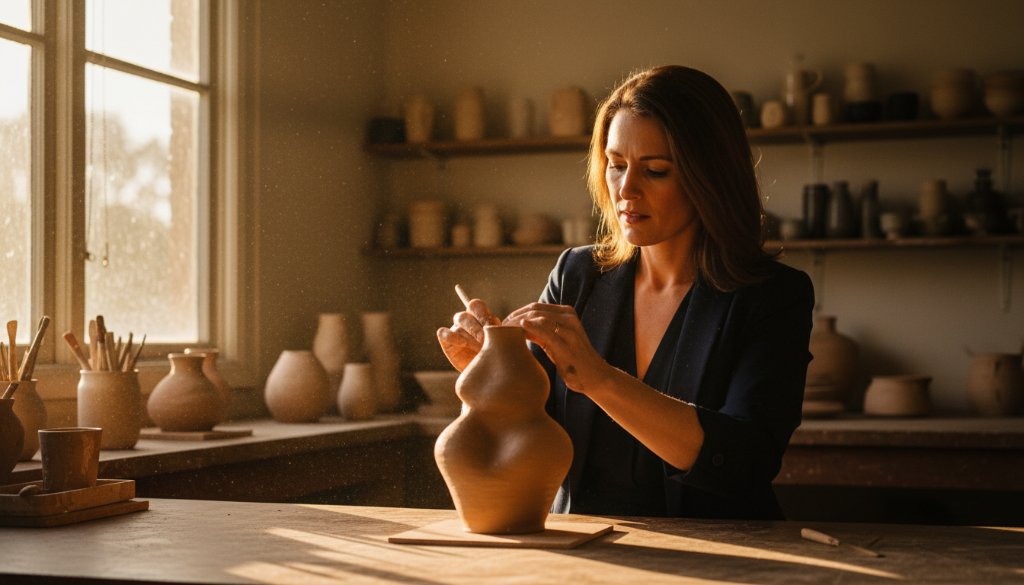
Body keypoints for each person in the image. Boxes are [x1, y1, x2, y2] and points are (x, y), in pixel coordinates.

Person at [436, 65, 814, 520]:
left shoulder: (772, 296)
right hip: (588, 550)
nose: (626, 190)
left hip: (722, 556)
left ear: (709, 177)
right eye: (615, 166)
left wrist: (599, 378)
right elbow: (529, 426)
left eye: (655, 171)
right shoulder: (578, 274)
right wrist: (490, 369)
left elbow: (744, 462)